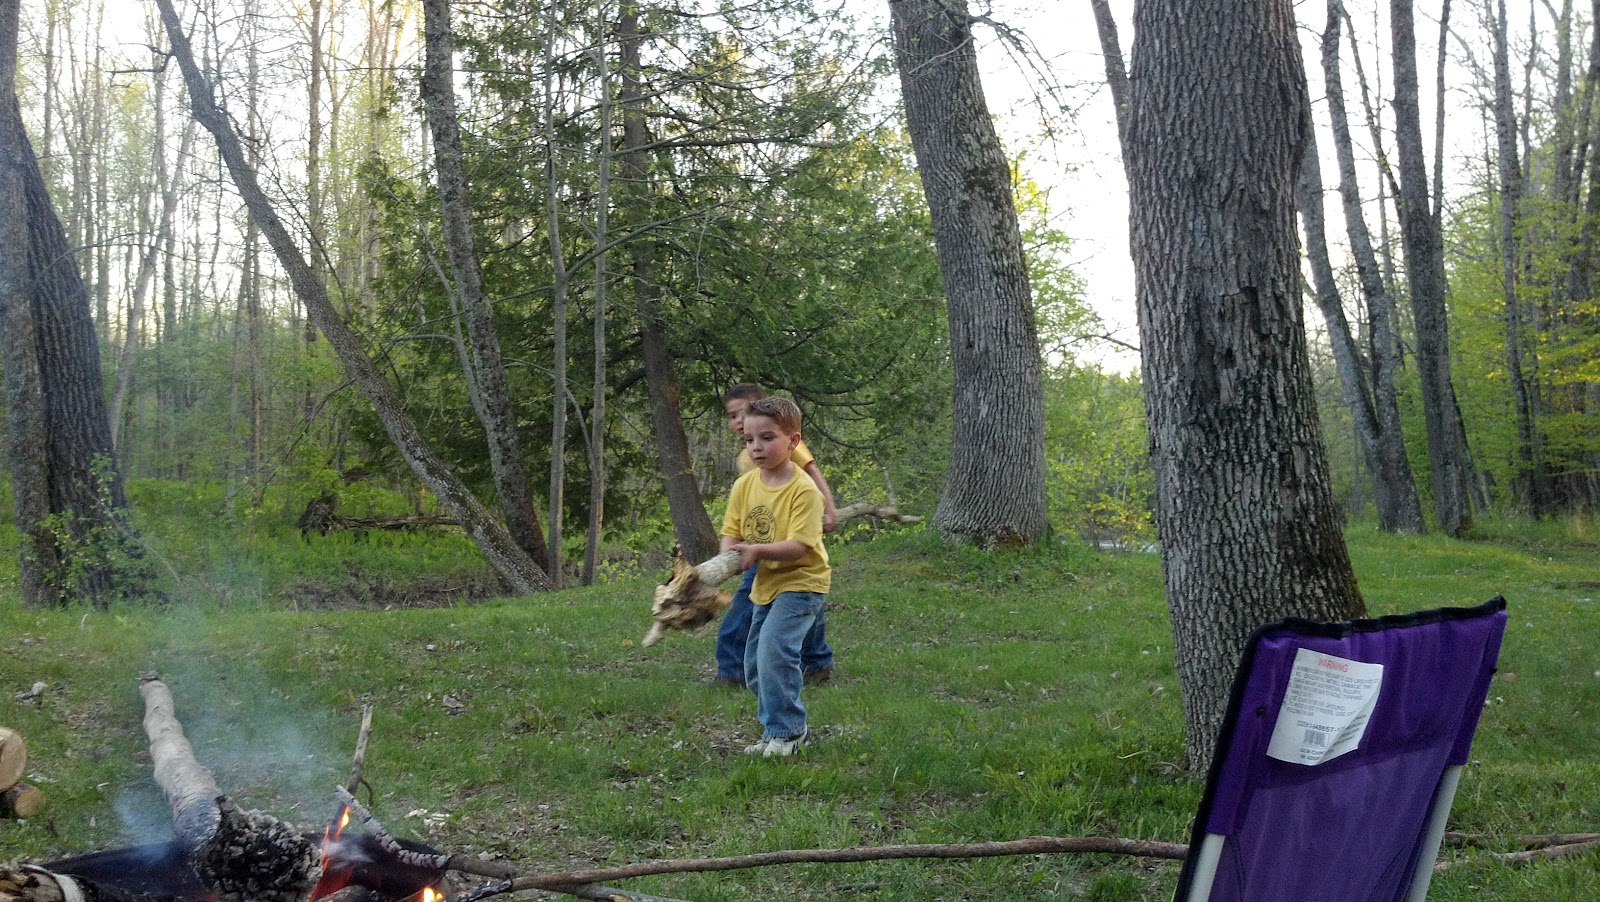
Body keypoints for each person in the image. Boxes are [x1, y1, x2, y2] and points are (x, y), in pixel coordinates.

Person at [721, 396, 831, 756]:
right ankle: (774, 731)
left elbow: (798, 547)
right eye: (749, 440)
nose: (756, 447)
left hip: (803, 582)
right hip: (766, 584)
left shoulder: (804, 491)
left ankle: (789, 734)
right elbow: (731, 531)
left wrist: (756, 552)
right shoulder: (744, 486)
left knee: (774, 652)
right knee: (754, 665)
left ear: (793, 441)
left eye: (767, 438)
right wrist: (725, 560)